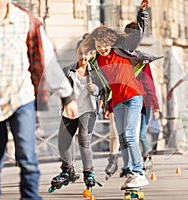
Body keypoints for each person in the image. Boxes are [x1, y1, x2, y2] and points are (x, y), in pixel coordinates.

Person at [0, 1, 77, 199]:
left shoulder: (26, 20)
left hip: (20, 98)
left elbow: (46, 59)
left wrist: (67, 96)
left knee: (27, 158)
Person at [82, 0, 150, 190]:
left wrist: (142, 13)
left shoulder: (122, 50)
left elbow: (139, 34)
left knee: (129, 135)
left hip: (133, 96)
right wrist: (92, 89)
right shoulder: (97, 62)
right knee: (121, 138)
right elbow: (99, 87)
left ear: (111, 42)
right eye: (99, 45)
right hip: (117, 101)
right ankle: (129, 173)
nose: (103, 48)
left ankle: (139, 172)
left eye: (105, 44)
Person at [104, 21, 161, 177]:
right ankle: (129, 167)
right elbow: (112, 85)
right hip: (124, 99)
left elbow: (149, 84)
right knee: (125, 135)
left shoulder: (140, 59)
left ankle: (140, 165)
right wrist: (109, 107)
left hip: (142, 101)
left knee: (136, 134)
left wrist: (155, 105)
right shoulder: (117, 57)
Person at [50, 37, 102, 191]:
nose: (83, 57)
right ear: (76, 53)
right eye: (80, 53)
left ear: (91, 54)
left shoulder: (95, 72)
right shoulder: (68, 70)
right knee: (63, 142)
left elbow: (102, 89)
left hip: (87, 110)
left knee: (83, 141)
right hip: (70, 110)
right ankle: (68, 170)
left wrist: (96, 90)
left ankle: (88, 172)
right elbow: (59, 86)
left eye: (86, 54)